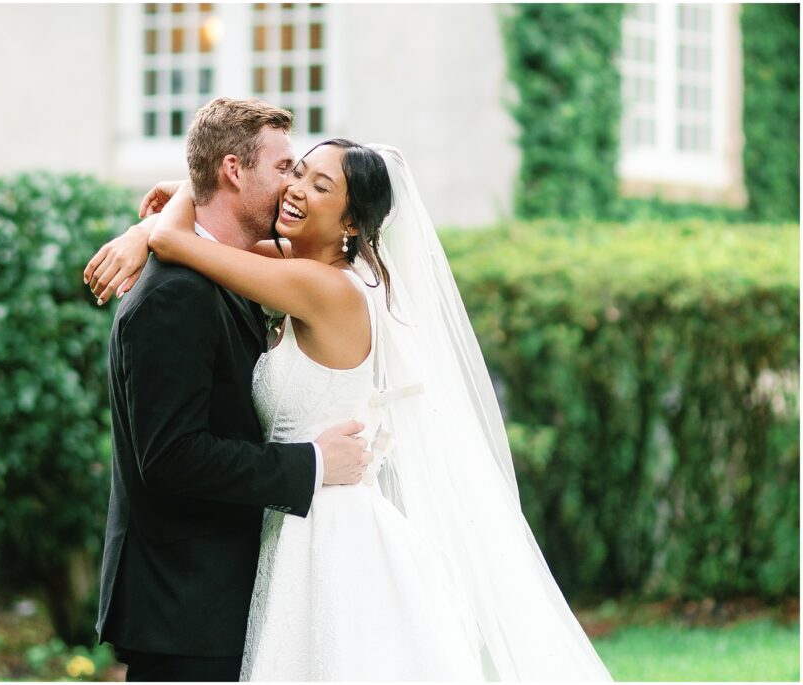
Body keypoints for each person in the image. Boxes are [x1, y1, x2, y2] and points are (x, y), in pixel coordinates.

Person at [88, 122, 613, 680]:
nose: (295, 187)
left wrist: (173, 205)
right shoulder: (295, 268)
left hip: (327, 528)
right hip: (291, 523)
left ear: (352, 223)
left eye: (319, 185)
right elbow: (220, 241)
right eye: (293, 171)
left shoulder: (328, 289)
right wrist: (193, 190)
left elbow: (179, 244)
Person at [89, 98, 375, 683]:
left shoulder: (239, 272)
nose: (293, 187)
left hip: (236, 593)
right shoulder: (175, 295)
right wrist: (313, 464)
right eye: (285, 169)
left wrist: (155, 219)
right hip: (185, 607)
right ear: (233, 171)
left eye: (308, 178)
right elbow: (172, 456)